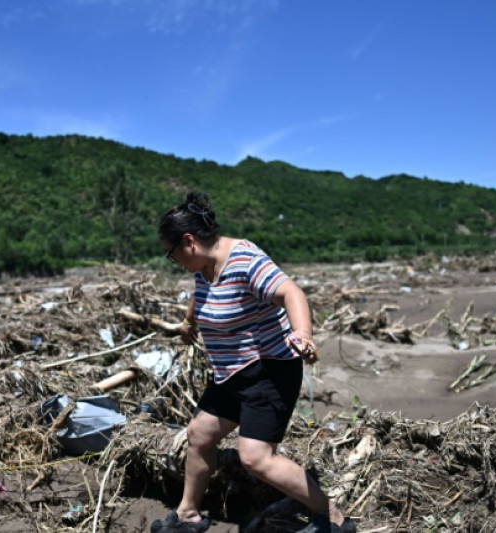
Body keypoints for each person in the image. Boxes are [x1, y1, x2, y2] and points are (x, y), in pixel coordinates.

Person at [152, 192, 355, 533]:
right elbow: (199, 294)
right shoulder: (204, 266)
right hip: (229, 373)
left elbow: (291, 292)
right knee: (199, 433)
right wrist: (189, 323)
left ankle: (333, 518)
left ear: (189, 242)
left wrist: (303, 333)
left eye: (172, 255)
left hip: (267, 370)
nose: (174, 261)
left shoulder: (244, 259)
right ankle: (188, 514)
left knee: (255, 457)